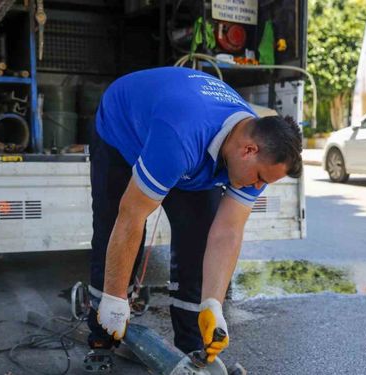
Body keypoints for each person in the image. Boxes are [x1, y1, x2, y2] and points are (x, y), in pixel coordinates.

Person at [84, 66, 303, 371]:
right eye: (259, 179)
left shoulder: (258, 157)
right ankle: (102, 336)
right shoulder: (180, 136)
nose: (257, 187)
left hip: (189, 147)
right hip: (123, 132)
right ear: (249, 150)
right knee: (113, 226)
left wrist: (213, 304)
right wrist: (115, 297)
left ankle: (192, 347)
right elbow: (130, 216)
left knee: (197, 243)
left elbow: (227, 231)